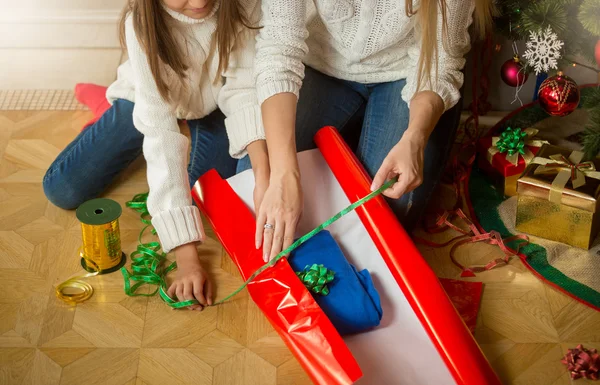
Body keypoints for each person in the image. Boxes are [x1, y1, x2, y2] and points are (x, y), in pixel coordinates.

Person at [43, 0, 271, 310]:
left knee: (209, 199)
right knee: (63, 189)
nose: (201, 1)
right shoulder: (141, 24)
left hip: (214, 104)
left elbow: (244, 90)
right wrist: (186, 256)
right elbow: (161, 135)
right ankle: (103, 105)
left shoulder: (243, 6)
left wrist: (264, 170)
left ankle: (178, 124)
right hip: (147, 102)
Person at [253, 0, 492, 261]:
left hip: (408, 76)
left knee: (383, 220)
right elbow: (279, 50)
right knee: (259, 183)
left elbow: (438, 62)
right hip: (320, 65)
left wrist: (414, 138)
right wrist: (284, 173)